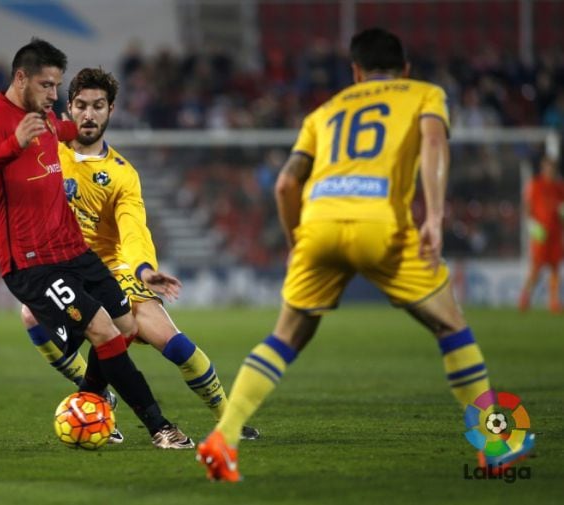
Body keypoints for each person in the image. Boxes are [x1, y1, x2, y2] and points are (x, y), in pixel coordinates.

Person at [196, 28, 535, 482]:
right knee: (450, 325)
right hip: (382, 223)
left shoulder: (325, 111)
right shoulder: (424, 94)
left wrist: (298, 238)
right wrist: (434, 217)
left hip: (318, 221)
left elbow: (285, 183)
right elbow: (434, 145)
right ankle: (495, 446)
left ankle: (225, 437)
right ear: (405, 69)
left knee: (285, 337)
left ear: (356, 72)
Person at [0, 67, 259, 442]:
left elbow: (134, 226)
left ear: (111, 110)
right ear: (68, 108)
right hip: (56, 265)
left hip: (110, 270)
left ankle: (228, 417)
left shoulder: (121, 174)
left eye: (98, 106)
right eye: (81, 105)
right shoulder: (42, 153)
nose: (89, 114)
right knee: (31, 314)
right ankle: (96, 396)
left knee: (173, 342)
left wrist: (144, 268)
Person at [518, 155, 564, 313]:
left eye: (552, 168)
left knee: (555, 268)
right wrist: (531, 226)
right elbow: (527, 207)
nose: (550, 170)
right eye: (547, 167)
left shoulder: (559, 187)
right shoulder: (536, 185)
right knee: (536, 269)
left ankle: (553, 301)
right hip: (540, 234)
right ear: (543, 169)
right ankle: (525, 297)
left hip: (555, 234)